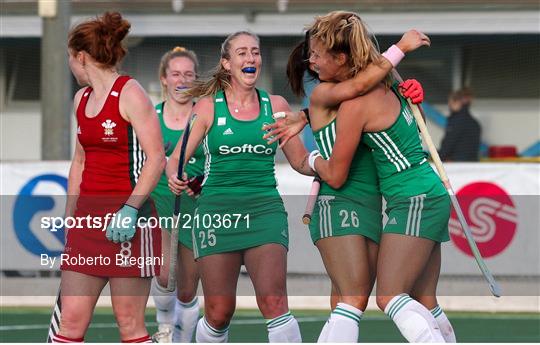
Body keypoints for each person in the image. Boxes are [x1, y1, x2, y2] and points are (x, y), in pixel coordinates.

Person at [267, 11, 456, 343]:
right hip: (346, 201)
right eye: (309, 57)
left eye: (317, 55)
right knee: (359, 300)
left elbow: (363, 87)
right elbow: (330, 167)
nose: (312, 63)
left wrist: (407, 87)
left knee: (360, 300)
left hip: (394, 200)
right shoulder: (344, 94)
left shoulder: (364, 96)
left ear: (342, 58)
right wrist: (311, 151)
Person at [167, 31, 316, 343]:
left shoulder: (275, 106)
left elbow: (301, 161)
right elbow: (176, 160)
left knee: (274, 302)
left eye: (255, 52)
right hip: (218, 214)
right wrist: (176, 175)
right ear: (227, 64)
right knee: (220, 311)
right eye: (242, 53)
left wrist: (326, 164)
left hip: (264, 212)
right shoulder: (207, 108)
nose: (251, 59)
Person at [58, 12, 165, 343]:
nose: (71, 67)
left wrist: (131, 209)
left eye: (70, 59)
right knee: (70, 323)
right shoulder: (81, 99)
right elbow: (80, 161)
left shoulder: (130, 93)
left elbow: (156, 158)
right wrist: (71, 215)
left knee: (129, 323)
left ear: (82, 57)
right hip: (88, 225)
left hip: (131, 225)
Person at [150, 46, 203, 343]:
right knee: (163, 274)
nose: (182, 80)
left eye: (188, 74)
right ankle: (164, 330)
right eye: (175, 74)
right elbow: (141, 163)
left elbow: (219, 159)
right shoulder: (150, 117)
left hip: (198, 206)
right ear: (164, 79)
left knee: (187, 286)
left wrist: (201, 180)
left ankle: (183, 339)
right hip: (160, 205)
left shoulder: (204, 115)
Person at [439, 88, 481, 161]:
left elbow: (447, 145)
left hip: (456, 166)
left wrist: (438, 159)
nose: (449, 104)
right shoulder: (475, 124)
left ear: (458, 102)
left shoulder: (455, 122)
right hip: (473, 166)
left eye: (451, 101)